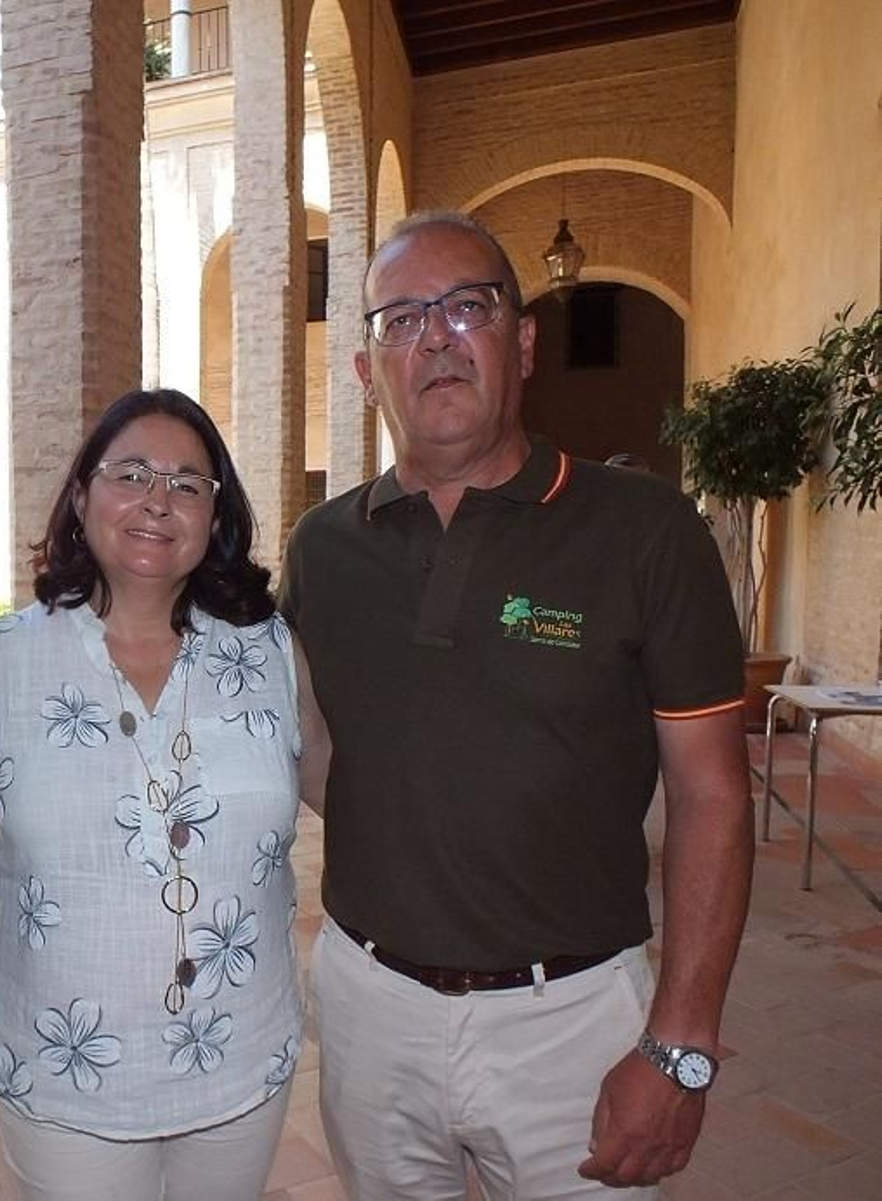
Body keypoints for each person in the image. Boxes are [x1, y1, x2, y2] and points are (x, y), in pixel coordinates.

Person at [280, 212, 753, 1199]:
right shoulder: (322, 550)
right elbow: (317, 750)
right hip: (371, 1012)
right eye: (401, 318)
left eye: (467, 307)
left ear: (522, 342)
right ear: (368, 367)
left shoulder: (645, 533)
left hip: (570, 1019)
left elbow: (711, 797)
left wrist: (679, 1043)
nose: (436, 337)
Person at [0, 389, 330, 1200]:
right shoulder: (4, 660)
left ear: (216, 514)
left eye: (188, 483)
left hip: (239, 1057)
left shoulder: (271, 651)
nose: (157, 500)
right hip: (67, 1076)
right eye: (130, 472)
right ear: (81, 494)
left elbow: (351, 792)